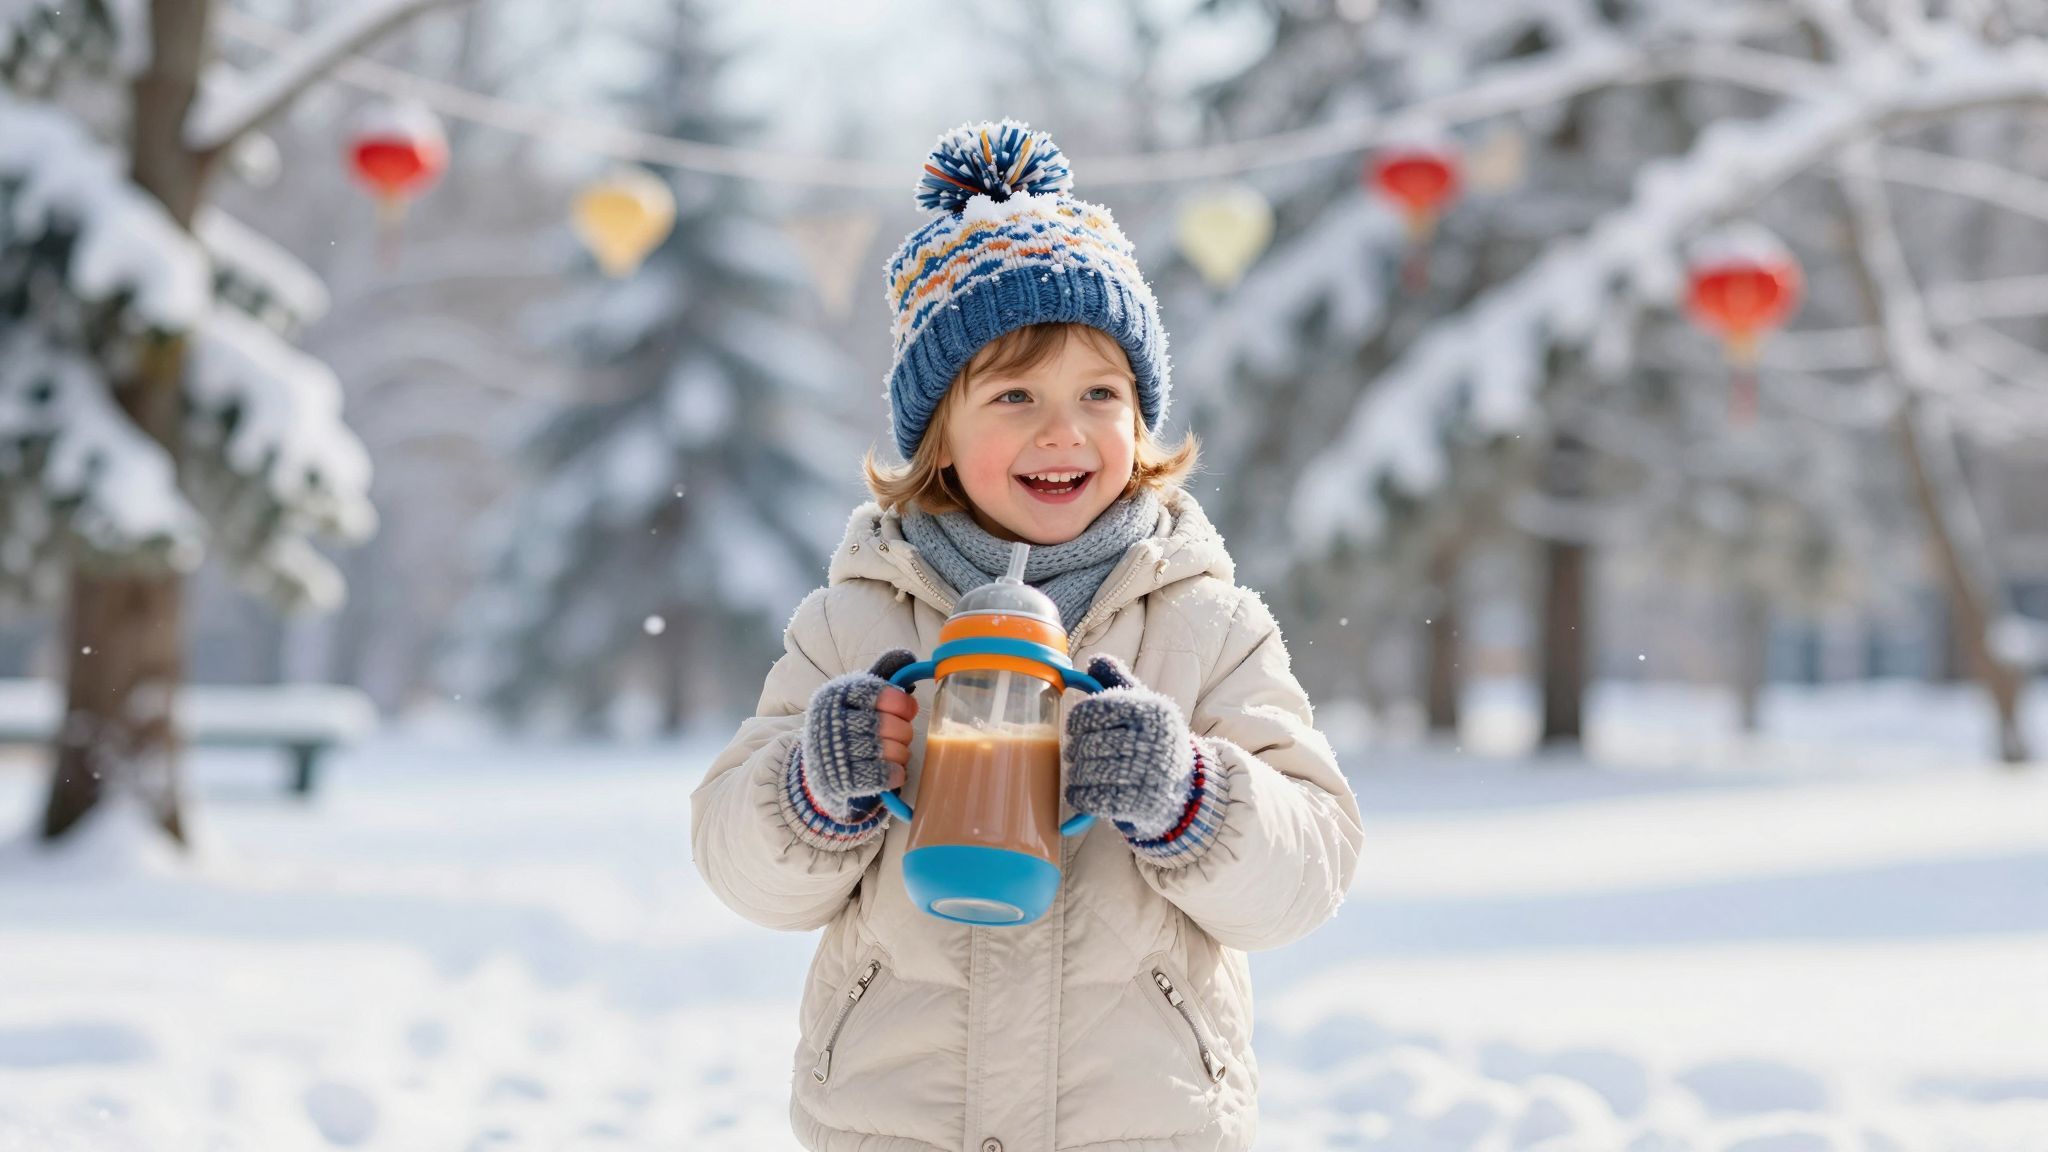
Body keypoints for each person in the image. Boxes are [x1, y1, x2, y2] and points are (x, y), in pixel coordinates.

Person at [690, 119, 1363, 1152]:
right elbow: (740, 864)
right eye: (1014, 396)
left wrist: (1188, 793)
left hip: (1137, 1128)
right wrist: (814, 789)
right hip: (896, 1123)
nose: (1064, 431)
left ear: (1140, 421)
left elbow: (1308, 869)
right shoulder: (856, 621)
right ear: (939, 440)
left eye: (1101, 393)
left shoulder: (1204, 623)